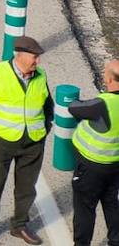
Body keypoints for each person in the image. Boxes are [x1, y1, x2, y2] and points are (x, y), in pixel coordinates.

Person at [0, 36, 52, 246]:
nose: (38, 62)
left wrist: (45, 129)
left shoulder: (40, 76)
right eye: (34, 57)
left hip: (33, 142)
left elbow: (48, 105)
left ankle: (19, 225)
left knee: (27, 187)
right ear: (20, 55)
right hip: (3, 141)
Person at [71, 58, 119, 246]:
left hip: (91, 167)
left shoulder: (102, 104)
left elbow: (74, 108)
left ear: (109, 80)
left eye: (105, 73)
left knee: (85, 208)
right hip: (115, 166)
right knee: (111, 202)